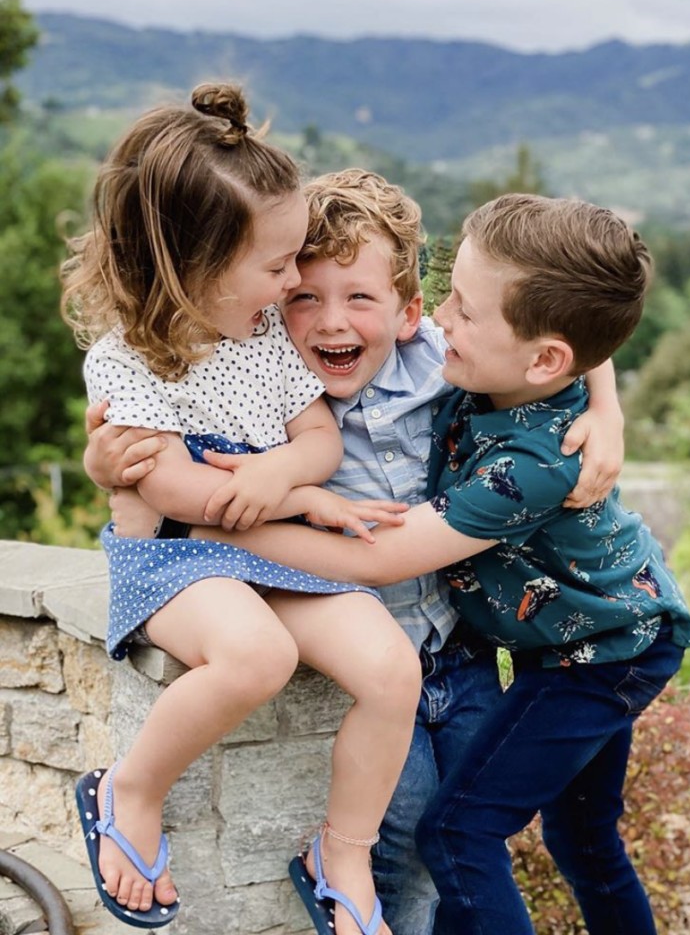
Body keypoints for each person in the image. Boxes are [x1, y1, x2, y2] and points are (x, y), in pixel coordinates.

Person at [111, 192, 690, 934]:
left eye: (461, 306)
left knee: (460, 833)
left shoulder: (497, 419)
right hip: (548, 644)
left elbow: (385, 555)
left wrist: (212, 531)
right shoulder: (308, 361)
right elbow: (210, 281)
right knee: (568, 837)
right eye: (300, 293)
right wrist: (121, 453)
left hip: (604, 646)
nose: (445, 315)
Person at [61, 86, 421, 935]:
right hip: (177, 557)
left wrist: (293, 478)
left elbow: (319, 438)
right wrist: (293, 493)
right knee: (256, 655)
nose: (293, 281)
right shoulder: (129, 361)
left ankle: (341, 848)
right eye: (277, 265)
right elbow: (174, 491)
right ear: (194, 263)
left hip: (273, 542)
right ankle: (130, 790)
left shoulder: (262, 336)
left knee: (389, 669)